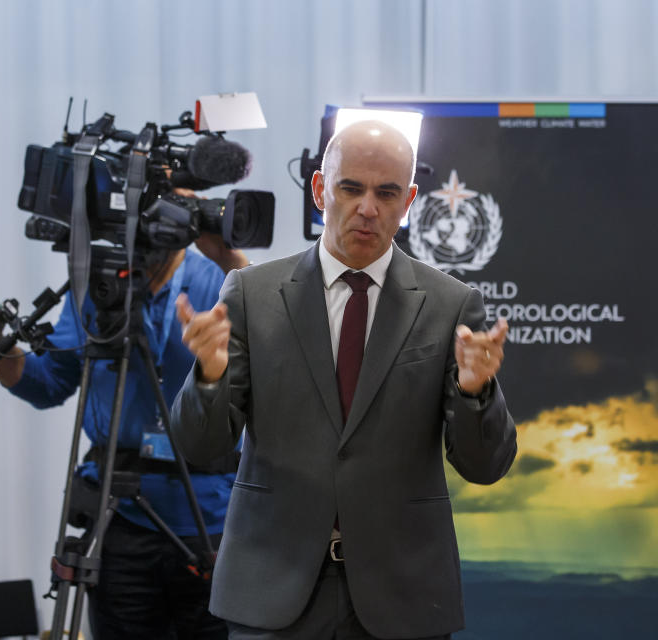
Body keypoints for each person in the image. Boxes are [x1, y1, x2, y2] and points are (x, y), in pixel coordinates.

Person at [172, 120, 517, 639]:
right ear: (319, 190)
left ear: (410, 201)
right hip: (272, 592)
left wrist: (475, 392)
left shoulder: (451, 306)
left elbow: (486, 466)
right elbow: (200, 446)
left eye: (386, 193)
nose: (368, 208)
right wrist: (209, 375)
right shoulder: (251, 293)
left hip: (402, 597)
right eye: (350, 188)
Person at [0, 232, 248, 639]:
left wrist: (231, 260)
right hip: (120, 515)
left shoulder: (224, 279)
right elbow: (50, 382)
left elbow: (283, 351)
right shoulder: (101, 283)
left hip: (211, 517)